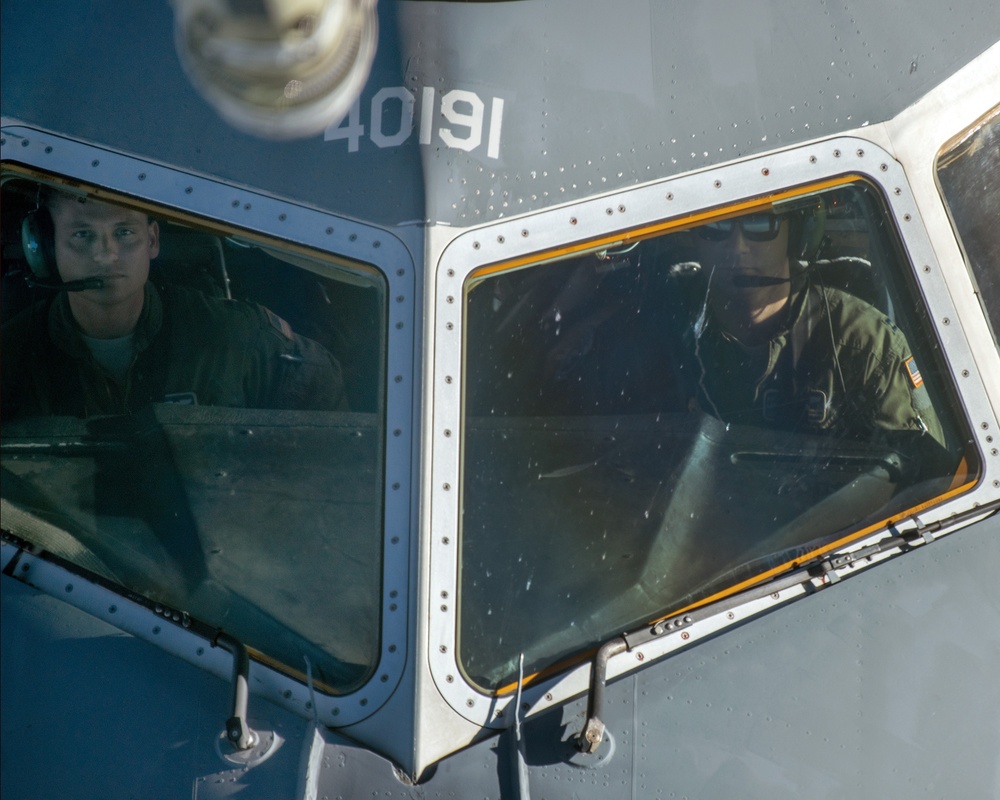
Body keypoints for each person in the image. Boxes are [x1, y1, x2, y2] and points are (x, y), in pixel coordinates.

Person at [2, 189, 347, 418]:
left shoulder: (229, 334)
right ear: (45, 250)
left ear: (152, 241)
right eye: (82, 235)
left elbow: (316, 379)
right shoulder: (12, 358)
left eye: (124, 233)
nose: (106, 255)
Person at [683, 208, 947, 453]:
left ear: (797, 234)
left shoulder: (868, 346)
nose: (737, 247)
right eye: (715, 225)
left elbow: (923, 478)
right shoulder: (665, 331)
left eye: (760, 223)